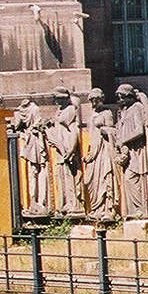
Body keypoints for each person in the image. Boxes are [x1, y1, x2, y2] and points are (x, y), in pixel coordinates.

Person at [114, 84, 148, 220]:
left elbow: (139, 130)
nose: (120, 100)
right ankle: (133, 211)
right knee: (128, 180)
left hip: (137, 150)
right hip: (128, 150)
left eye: (122, 97)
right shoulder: (125, 111)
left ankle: (141, 210)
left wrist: (124, 140)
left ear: (129, 97)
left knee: (134, 178)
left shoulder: (136, 108)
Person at [82, 89, 120, 220]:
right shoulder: (91, 115)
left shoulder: (107, 113)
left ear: (101, 99)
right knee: (91, 181)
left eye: (95, 100)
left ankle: (107, 210)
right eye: (91, 100)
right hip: (94, 151)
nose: (93, 103)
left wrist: (105, 130)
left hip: (104, 151)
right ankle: (96, 209)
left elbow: (113, 131)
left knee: (104, 179)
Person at [47, 88, 85, 217]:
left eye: (58, 98)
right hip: (60, 149)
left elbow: (74, 129)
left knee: (70, 177)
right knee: (62, 177)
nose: (56, 101)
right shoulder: (60, 110)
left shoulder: (70, 110)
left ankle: (74, 205)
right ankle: (65, 204)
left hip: (68, 148)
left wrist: (71, 149)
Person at [11, 97, 49, 217]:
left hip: (32, 140)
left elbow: (17, 126)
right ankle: (36, 202)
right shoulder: (35, 108)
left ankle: (36, 202)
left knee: (34, 172)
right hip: (33, 140)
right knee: (35, 171)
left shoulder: (25, 111)